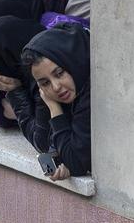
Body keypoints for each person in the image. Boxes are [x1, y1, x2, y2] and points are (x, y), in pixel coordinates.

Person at [0, 0, 89, 126]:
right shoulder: (12, 55)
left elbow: (48, 133)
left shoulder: (57, 41)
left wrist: (20, 100)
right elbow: (5, 115)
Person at [20, 23, 91, 180]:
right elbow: (46, 145)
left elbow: (76, 162)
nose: (56, 87)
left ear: (71, 62)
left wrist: (54, 109)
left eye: (59, 73)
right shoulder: (68, 94)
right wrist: (62, 161)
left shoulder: (90, 93)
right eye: (45, 83)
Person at [0, 15, 48, 142]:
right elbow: (0, 116)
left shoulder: (44, 76)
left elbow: (42, 140)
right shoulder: (17, 70)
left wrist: (16, 93)